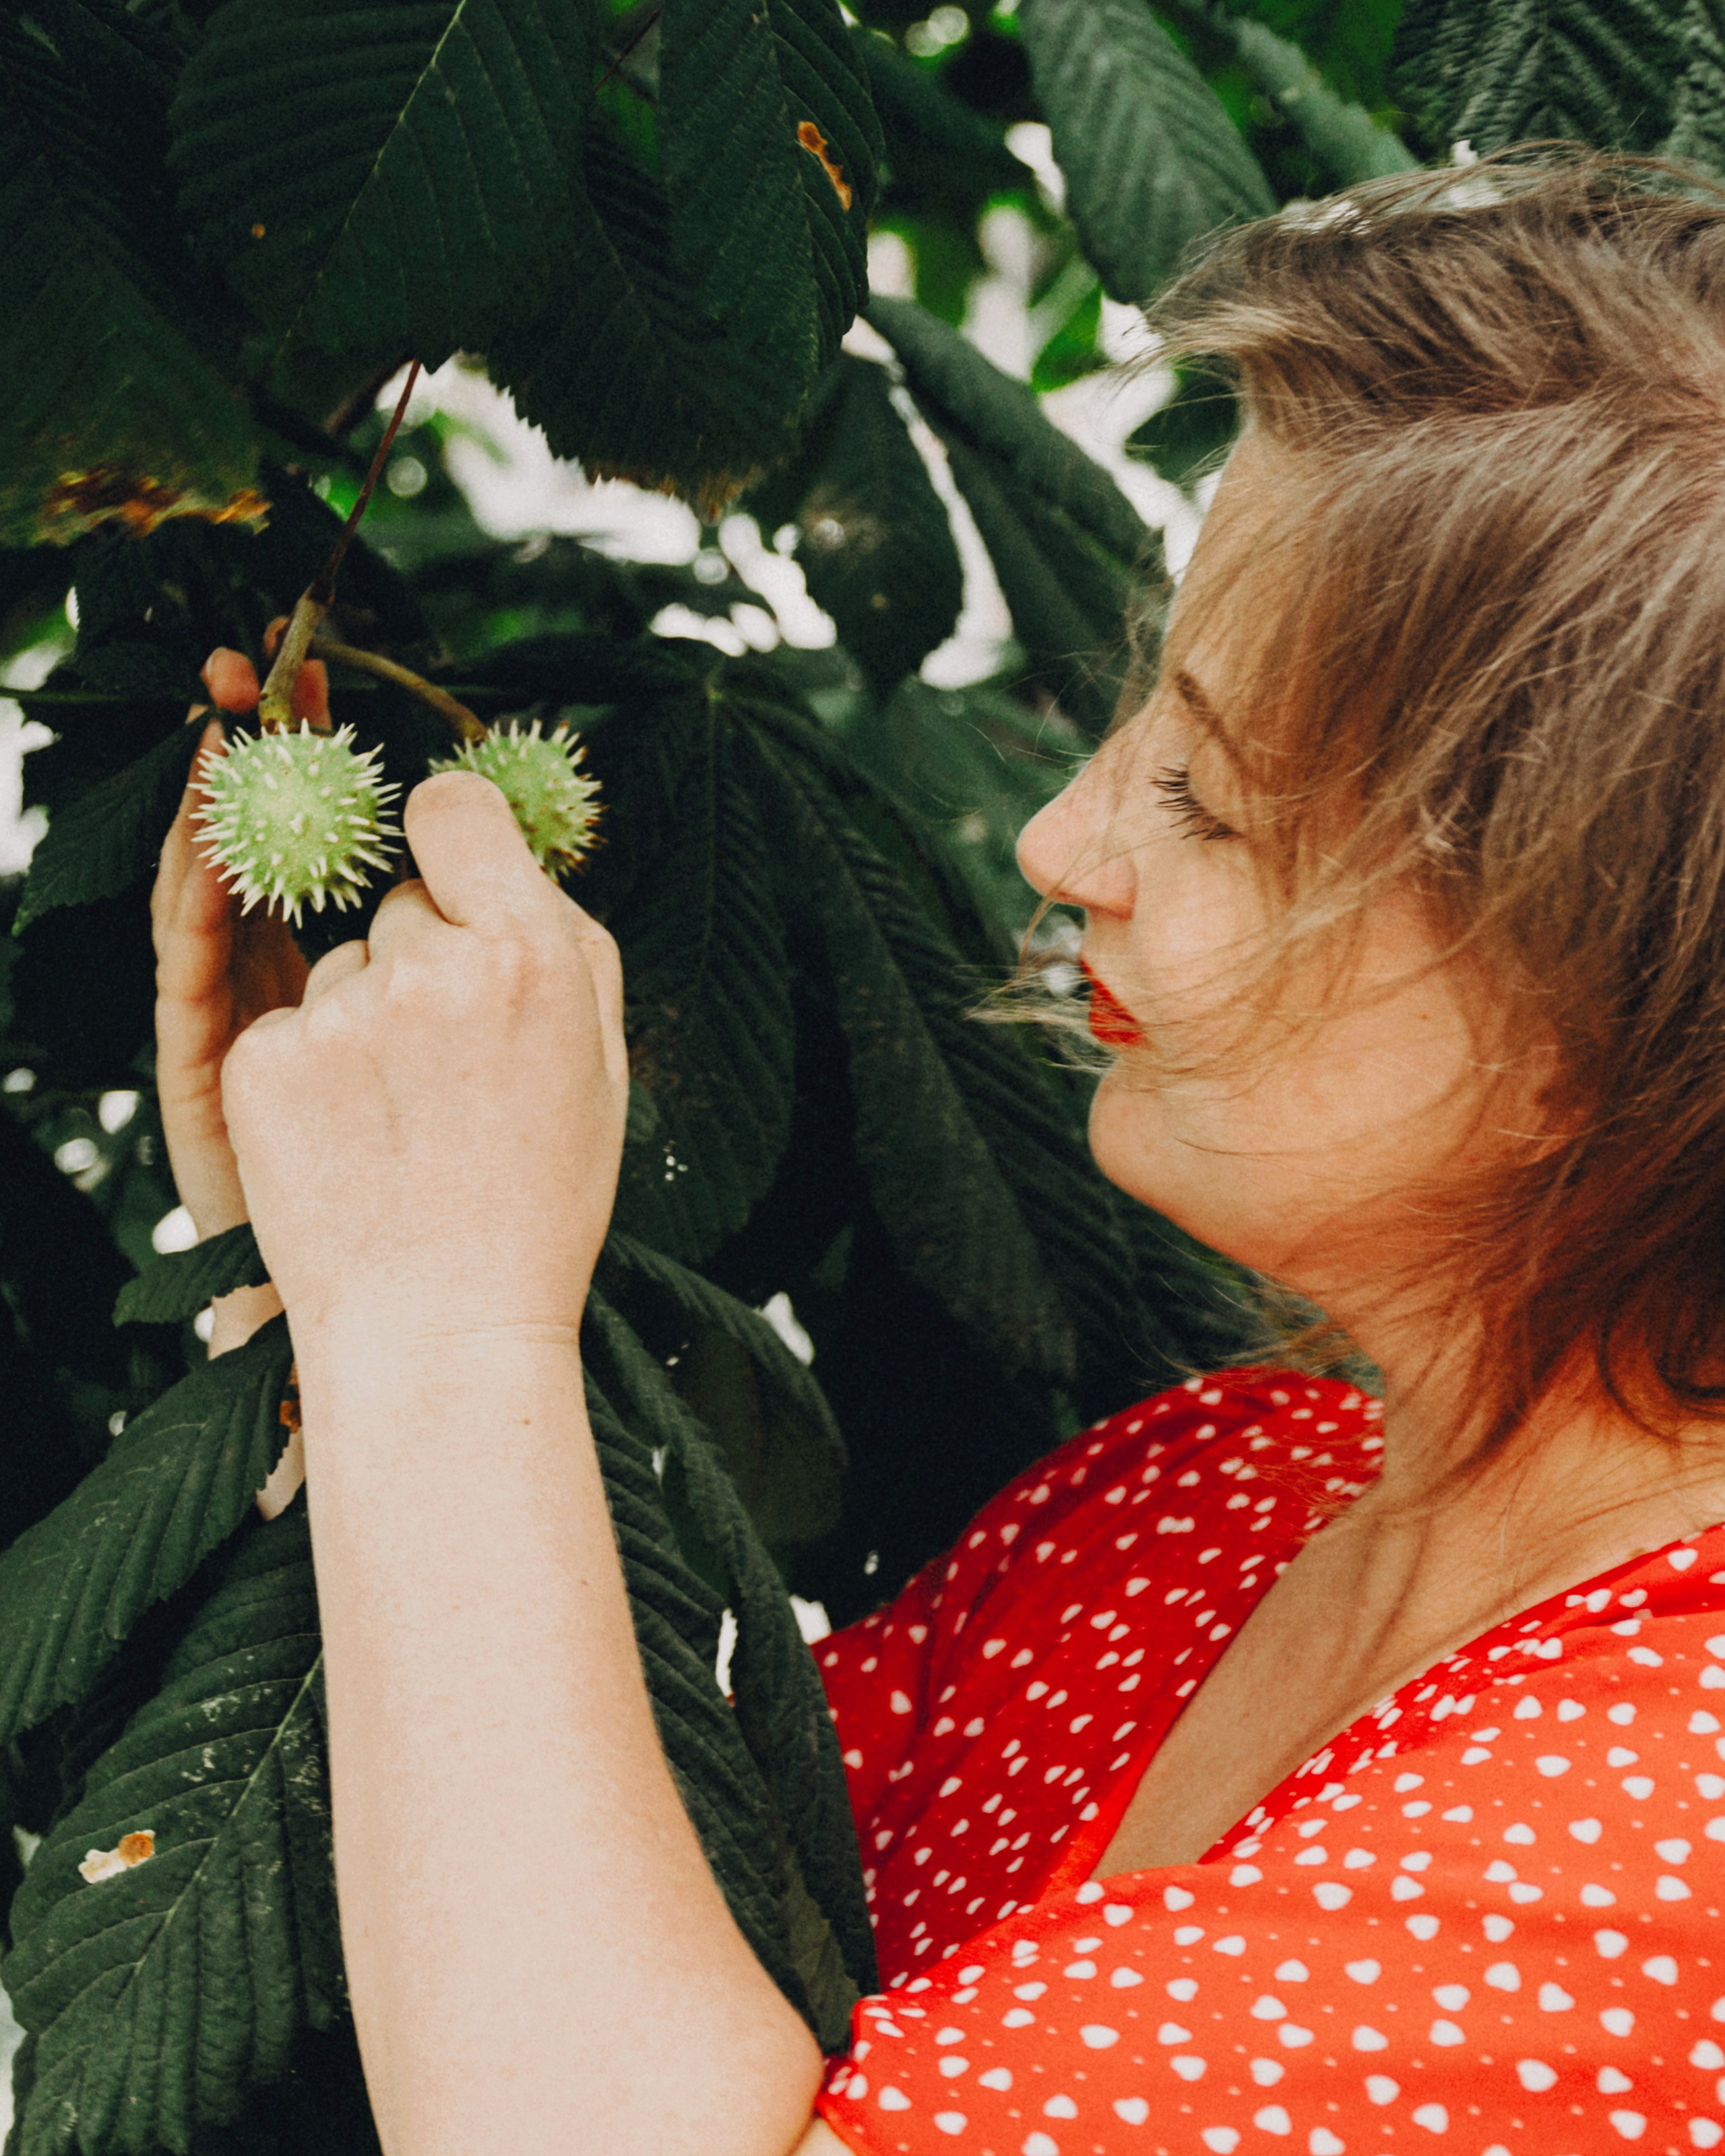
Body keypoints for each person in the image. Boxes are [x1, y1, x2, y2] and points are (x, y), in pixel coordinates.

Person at [149, 154, 1725, 2156]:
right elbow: (555, 1934)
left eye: (1213, 802)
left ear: (1605, 1007)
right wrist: (318, 1264)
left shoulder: (1671, 1830)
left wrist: (449, 1328)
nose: (1067, 848)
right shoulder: (1194, 1510)